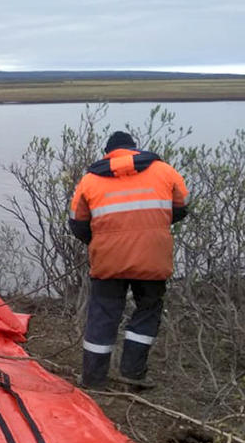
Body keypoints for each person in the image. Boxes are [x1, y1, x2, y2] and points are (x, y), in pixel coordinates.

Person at [68, 131, 189, 389]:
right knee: (147, 309)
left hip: (108, 260)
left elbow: (77, 224)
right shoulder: (164, 171)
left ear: (107, 153)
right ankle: (132, 375)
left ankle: (93, 380)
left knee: (103, 314)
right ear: (134, 149)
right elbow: (180, 208)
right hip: (153, 257)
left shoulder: (90, 180)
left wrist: (100, 240)